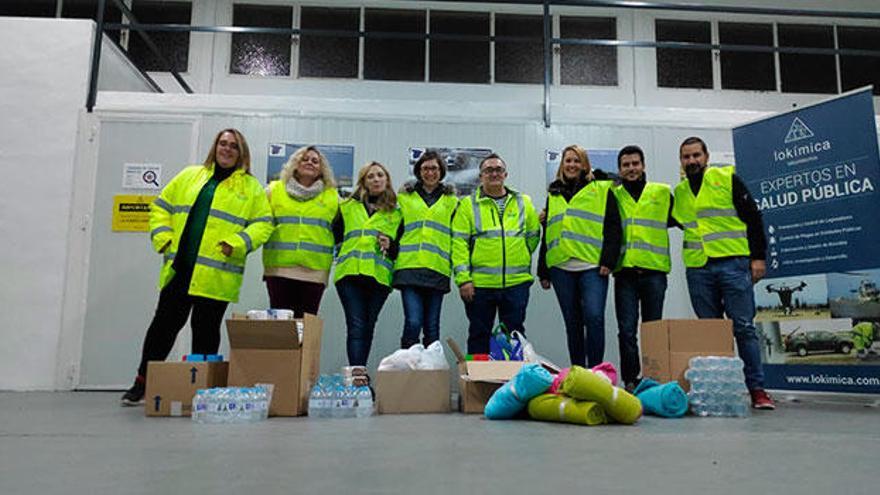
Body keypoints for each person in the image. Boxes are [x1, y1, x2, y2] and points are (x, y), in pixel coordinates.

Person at [121, 129, 273, 406]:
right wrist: (164, 239)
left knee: (205, 331)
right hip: (180, 270)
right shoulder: (190, 175)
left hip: (217, 274)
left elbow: (264, 224)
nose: (226, 149)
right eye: (222, 144)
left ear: (242, 154)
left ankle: (201, 389)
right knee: (162, 329)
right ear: (215, 147)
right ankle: (142, 382)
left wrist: (238, 243)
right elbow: (160, 208)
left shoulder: (250, 188)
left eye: (233, 146)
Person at [672, 136, 775, 410]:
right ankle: (721, 392)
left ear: (706, 157)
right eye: (686, 157)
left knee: (743, 328)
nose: (692, 161)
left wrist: (758, 258)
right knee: (711, 332)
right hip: (698, 268)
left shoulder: (726, 179)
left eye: (696, 155)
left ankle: (757, 390)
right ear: (681, 162)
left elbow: (753, 217)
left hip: (733, 264)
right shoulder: (680, 193)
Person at [537, 145, 622, 367]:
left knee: (594, 318)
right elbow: (549, 232)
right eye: (568, 161)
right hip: (560, 267)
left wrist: (608, 260)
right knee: (572, 323)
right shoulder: (553, 194)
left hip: (592, 266)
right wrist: (543, 271)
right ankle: (578, 372)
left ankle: (595, 371)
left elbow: (613, 227)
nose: (572, 165)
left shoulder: (601, 189)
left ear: (584, 165)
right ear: (562, 165)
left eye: (577, 161)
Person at [452, 153, 540, 354]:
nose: (494, 174)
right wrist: (463, 280)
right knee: (479, 335)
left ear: (505, 174)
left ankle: (514, 383)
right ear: (480, 176)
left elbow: (533, 236)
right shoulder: (467, 205)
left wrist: (521, 254)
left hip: (517, 283)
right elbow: (459, 244)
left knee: (515, 335)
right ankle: (478, 384)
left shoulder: (523, 202)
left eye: (498, 170)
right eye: (488, 170)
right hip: (480, 285)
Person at [612, 145, 677, 390]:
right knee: (626, 331)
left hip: (654, 272)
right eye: (626, 165)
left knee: (653, 330)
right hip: (625, 273)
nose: (631, 169)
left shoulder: (661, 192)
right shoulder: (614, 195)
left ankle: (652, 379)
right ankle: (630, 380)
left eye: (635, 164)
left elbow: (681, 219)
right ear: (619, 169)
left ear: (643, 165)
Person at [333, 162, 402, 366]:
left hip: (378, 277)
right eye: (370, 176)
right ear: (363, 182)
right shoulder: (346, 207)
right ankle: (357, 378)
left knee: (368, 327)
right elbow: (335, 236)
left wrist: (390, 245)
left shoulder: (396, 213)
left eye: (380, 175)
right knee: (356, 326)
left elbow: (400, 249)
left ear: (387, 179)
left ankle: (359, 373)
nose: (376, 179)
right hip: (350, 276)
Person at [262, 146, 339, 317]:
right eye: (304, 159)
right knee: (281, 330)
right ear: (295, 164)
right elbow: (256, 219)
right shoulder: (274, 190)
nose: (309, 162)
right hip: (279, 270)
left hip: (315, 273)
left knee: (306, 329)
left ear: (322, 169)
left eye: (315, 161)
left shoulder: (333, 197)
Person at [393, 150, 458, 349]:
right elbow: (392, 226)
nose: (430, 173)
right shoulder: (405, 197)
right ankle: (407, 368)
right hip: (409, 268)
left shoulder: (452, 202)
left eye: (434, 168)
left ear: (441, 172)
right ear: (419, 171)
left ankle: (431, 373)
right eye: (426, 168)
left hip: (436, 270)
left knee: (432, 328)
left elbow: (458, 237)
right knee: (413, 322)